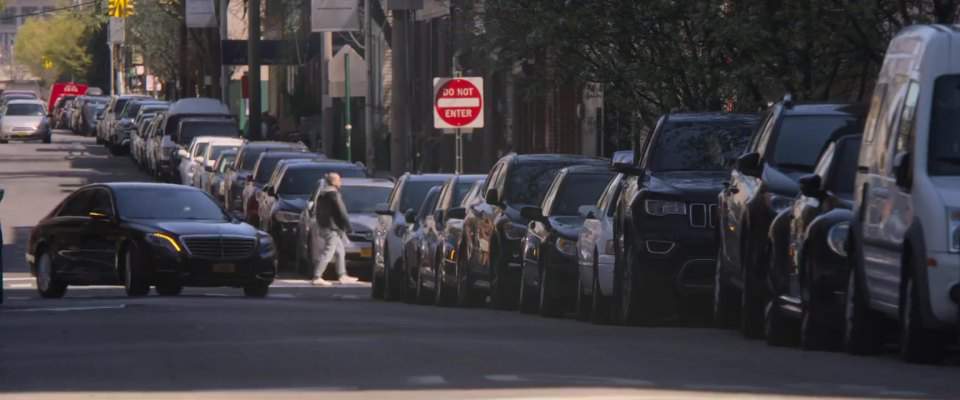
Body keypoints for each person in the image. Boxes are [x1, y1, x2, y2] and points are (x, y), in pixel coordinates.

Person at [311, 172, 358, 286]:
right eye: (339, 180)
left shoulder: (323, 193)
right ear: (334, 182)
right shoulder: (333, 194)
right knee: (329, 251)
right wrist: (348, 226)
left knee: (340, 251)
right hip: (331, 227)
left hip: (325, 225)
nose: (340, 182)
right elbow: (341, 212)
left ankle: (342, 275)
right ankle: (317, 276)